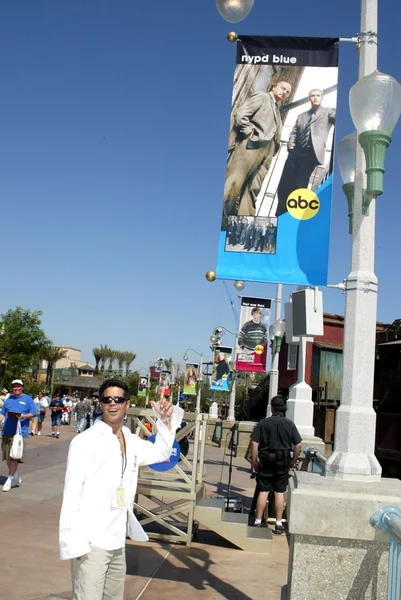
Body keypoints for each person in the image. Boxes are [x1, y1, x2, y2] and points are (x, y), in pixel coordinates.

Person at [59, 378, 183, 600]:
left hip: (117, 542)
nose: (112, 404)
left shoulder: (131, 440)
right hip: (90, 543)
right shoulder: (85, 442)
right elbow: (71, 495)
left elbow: (162, 453)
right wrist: (73, 544)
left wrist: (165, 421)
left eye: (118, 399)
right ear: (100, 404)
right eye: (107, 399)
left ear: (127, 404)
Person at [224, 80, 292, 217]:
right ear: (274, 86)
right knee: (234, 181)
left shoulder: (277, 112)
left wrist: (272, 151)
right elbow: (241, 114)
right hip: (251, 145)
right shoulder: (263, 97)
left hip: (267, 153)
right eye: (283, 88)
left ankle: (243, 223)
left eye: (287, 92)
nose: (284, 92)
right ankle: (220, 218)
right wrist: (250, 133)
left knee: (253, 189)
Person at [276, 89, 336, 217]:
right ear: (309, 99)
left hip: (310, 154)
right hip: (295, 152)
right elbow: (294, 132)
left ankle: (294, 215)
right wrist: (291, 146)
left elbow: (336, 118)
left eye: (318, 96)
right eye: (312, 96)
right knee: (285, 183)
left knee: (300, 184)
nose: (315, 98)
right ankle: (280, 213)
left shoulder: (328, 112)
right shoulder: (301, 115)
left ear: (322, 98)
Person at [250, 395, 302, 534]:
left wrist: (254, 461)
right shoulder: (290, 424)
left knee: (263, 491)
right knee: (279, 492)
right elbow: (298, 445)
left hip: (266, 461)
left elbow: (254, 443)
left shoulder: (263, 423)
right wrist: (292, 461)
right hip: (283, 462)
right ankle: (278, 524)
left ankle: (258, 521)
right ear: (283, 409)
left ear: (272, 409)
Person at [0, 379, 36, 492]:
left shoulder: (28, 399)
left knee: (14, 456)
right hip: (7, 431)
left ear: (22, 388)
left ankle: (9, 480)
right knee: (7, 456)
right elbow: (2, 413)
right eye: (14, 387)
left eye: (18, 387)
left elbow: (33, 413)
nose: (16, 388)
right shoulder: (8, 398)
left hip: (20, 433)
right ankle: (15, 476)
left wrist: (23, 416)